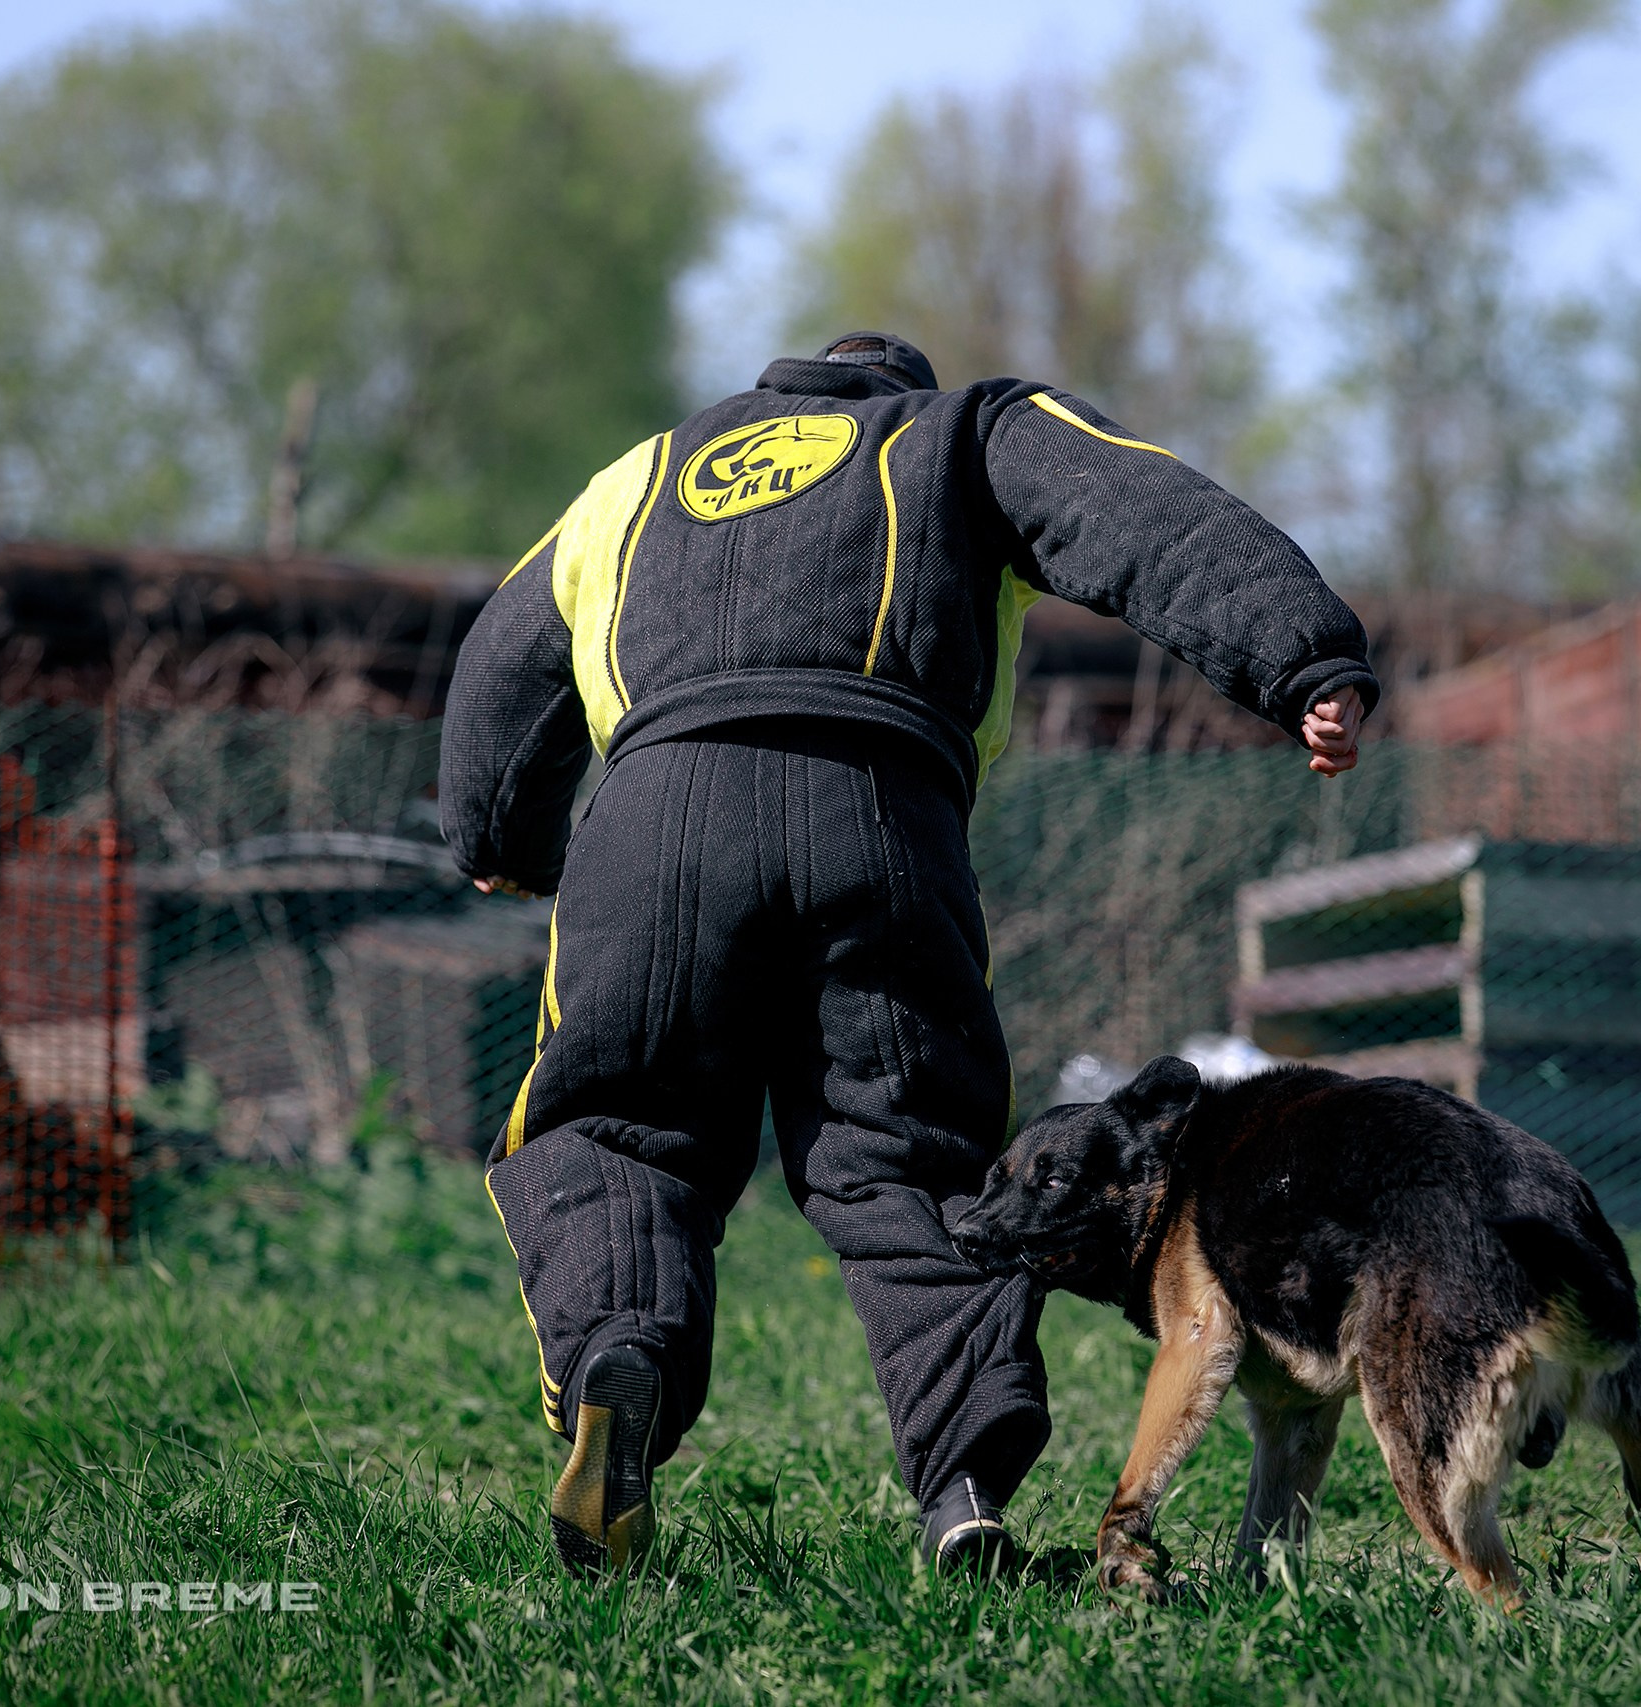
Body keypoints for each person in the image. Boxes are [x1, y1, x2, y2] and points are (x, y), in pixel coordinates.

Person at [439, 332, 1376, 1579]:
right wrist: (1302, 655)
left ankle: (623, 1353)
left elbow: (505, 654)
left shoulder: (640, 475)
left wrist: (493, 830)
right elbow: (1141, 510)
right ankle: (962, 1490)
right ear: (900, 386)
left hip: (651, 827)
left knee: (617, 1127)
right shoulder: (957, 434)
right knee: (915, 1161)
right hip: (876, 812)